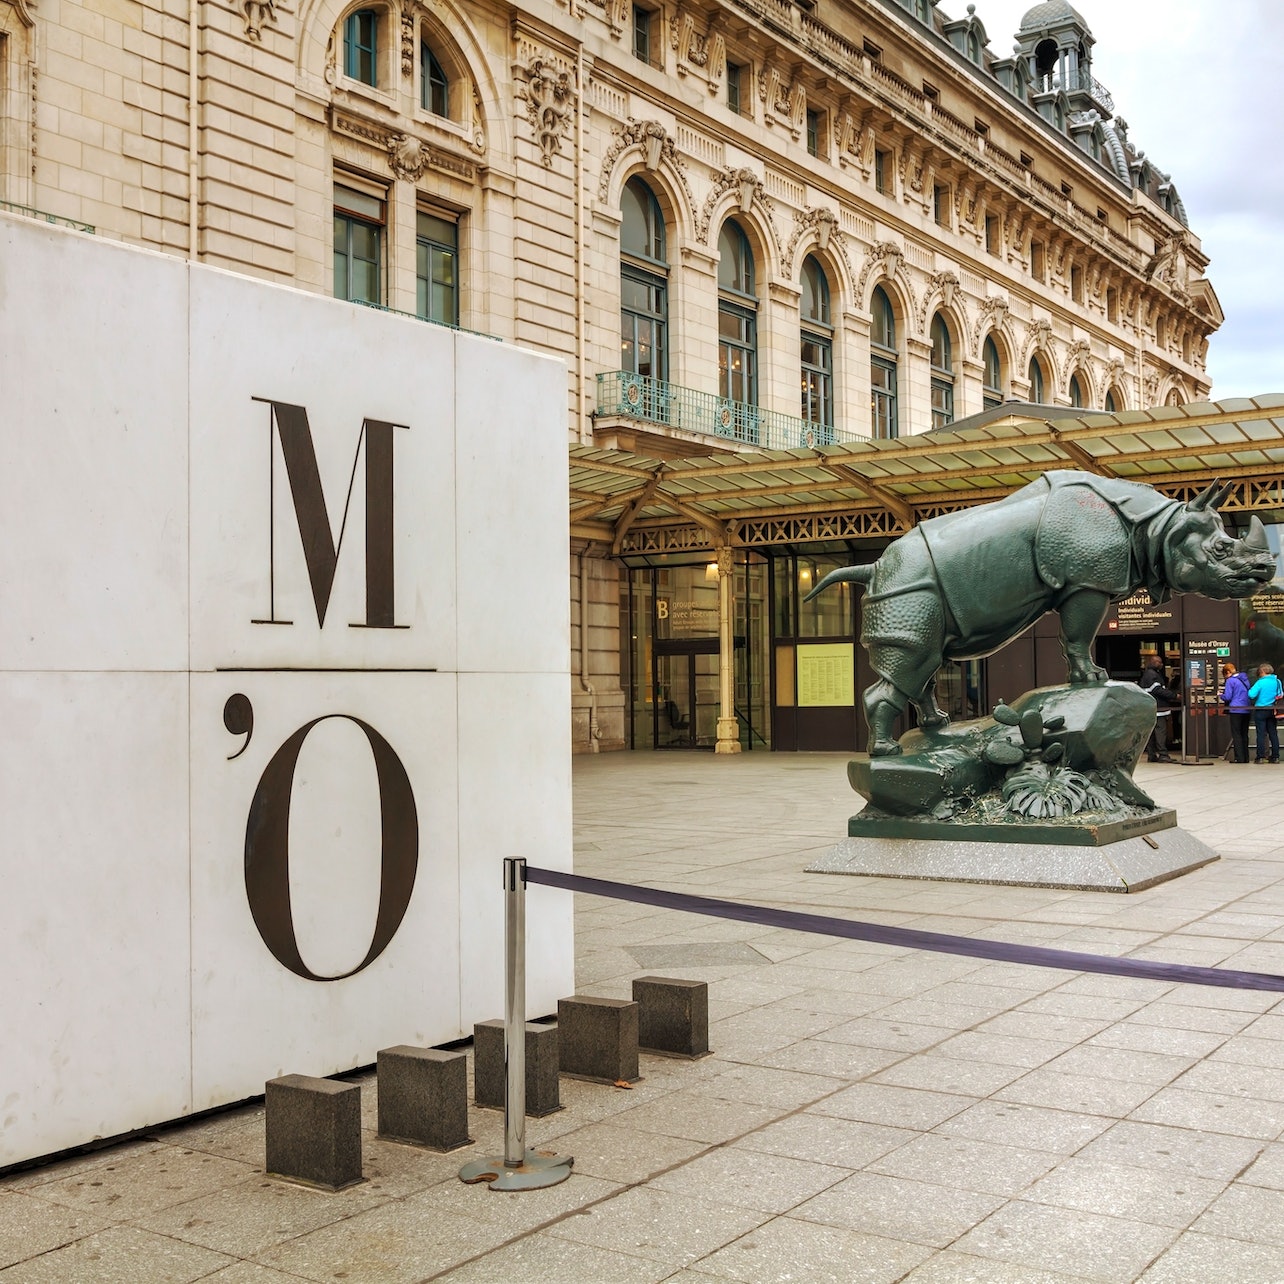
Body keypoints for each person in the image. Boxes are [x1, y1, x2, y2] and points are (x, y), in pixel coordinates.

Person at [1138, 654, 1178, 763]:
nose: (1161, 664)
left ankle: (1152, 755)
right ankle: (1163, 754)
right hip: (1158, 709)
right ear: (1154, 662)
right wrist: (1174, 695)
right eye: (1159, 662)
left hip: (1151, 709)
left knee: (1151, 734)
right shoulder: (1152, 675)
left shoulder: (1148, 674)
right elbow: (1157, 690)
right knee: (1160, 732)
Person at [1249, 662, 1283, 763]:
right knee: (1273, 733)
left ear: (1263, 671)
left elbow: (1251, 694)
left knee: (1261, 734)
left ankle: (1260, 757)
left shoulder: (1260, 682)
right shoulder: (1277, 681)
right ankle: (1276, 756)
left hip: (1261, 709)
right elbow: (1280, 694)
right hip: (1273, 709)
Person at [1222, 661, 1253, 764]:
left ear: (1227, 672)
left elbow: (1228, 696)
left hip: (1236, 709)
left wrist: (1220, 695)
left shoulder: (1230, 681)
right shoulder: (1245, 679)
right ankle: (1246, 757)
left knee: (1236, 734)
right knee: (1244, 734)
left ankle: (1239, 758)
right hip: (1246, 709)